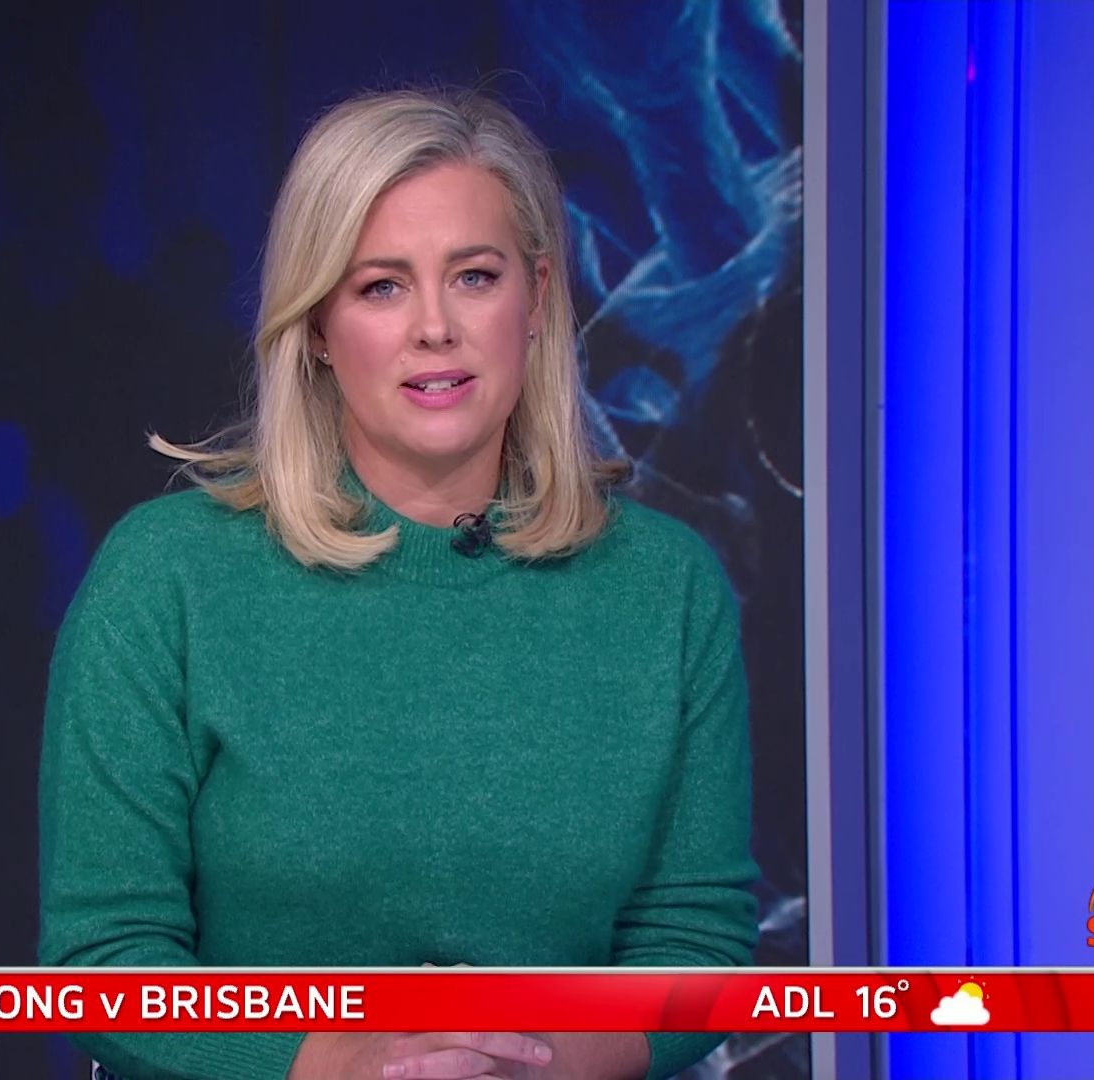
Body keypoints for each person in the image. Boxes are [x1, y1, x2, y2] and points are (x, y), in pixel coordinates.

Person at [38, 87, 759, 1080]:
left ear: (536, 297)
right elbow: (103, 964)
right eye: (381, 286)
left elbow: (698, 946)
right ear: (317, 325)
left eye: (474, 277)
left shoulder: (666, 590)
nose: (435, 328)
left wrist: (529, 1061)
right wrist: (337, 1061)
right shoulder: (165, 579)